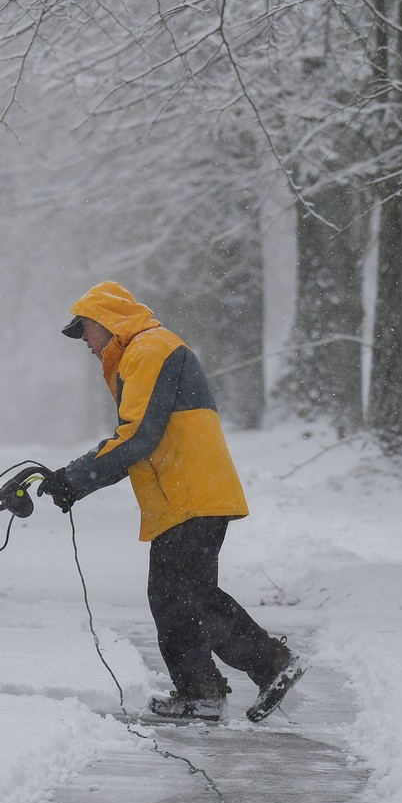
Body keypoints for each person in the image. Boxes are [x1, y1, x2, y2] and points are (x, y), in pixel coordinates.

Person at [38, 281, 305, 722]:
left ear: (107, 321)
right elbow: (139, 439)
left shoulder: (149, 350)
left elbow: (138, 436)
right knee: (178, 596)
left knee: (185, 597)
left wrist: (75, 478)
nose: (84, 340)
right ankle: (204, 691)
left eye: (85, 328)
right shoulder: (145, 351)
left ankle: (267, 665)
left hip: (191, 494)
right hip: (185, 495)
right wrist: (74, 480)